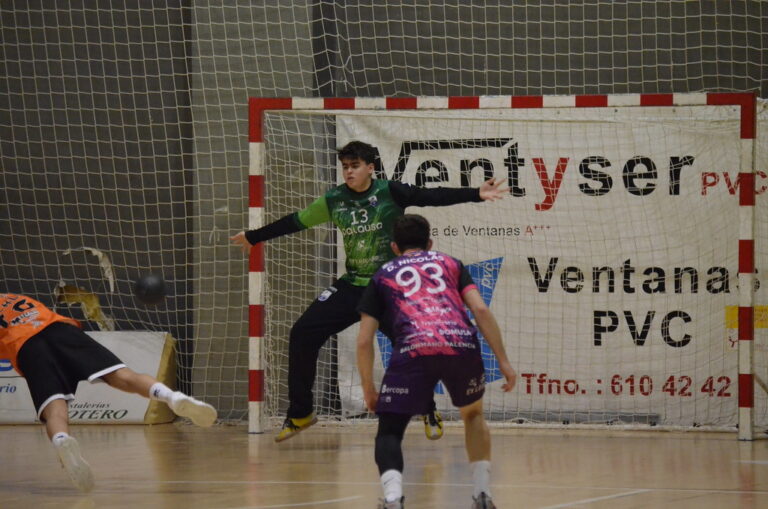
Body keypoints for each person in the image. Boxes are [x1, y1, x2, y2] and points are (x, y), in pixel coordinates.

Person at [231, 140, 508, 442]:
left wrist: (476, 194)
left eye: (354, 166)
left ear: (370, 168)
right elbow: (296, 221)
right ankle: (301, 412)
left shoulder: (390, 192)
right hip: (353, 286)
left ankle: (428, 409)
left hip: (390, 289)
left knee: (413, 346)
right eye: (345, 167)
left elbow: (432, 195)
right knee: (302, 334)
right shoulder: (334, 200)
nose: (348, 172)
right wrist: (255, 236)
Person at [356, 214, 516, 509]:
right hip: (459, 344)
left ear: (394, 246)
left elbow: (365, 339)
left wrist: (368, 386)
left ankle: (393, 500)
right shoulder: (451, 264)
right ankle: (482, 495)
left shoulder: (383, 274)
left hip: (414, 349)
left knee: (390, 429)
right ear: (430, 244)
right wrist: (503, 361)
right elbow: (480, 310)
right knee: (473, 416)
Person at [0, 293, 218, 492]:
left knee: (54, 410)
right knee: (123, 376)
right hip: (59, 330)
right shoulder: (12, 297)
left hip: (27, 347)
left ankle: (61, 439)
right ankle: (173, 397)